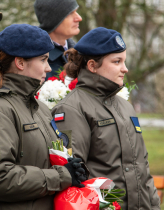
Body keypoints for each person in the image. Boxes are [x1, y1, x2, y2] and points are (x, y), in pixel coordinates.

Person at [0, 24, 87, 210]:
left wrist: (70, 167)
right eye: (43, 60)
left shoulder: (39, 108)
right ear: (20, 63)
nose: (48, 68)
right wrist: (60, 176)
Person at [51, 27, 161, 210]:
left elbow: (142, 168)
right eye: (117, 62)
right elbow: (75, 178)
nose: (124, 69)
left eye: (124, 61)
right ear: (92, 66)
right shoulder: (71, 109)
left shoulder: (125, 106)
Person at [34, 0, 82, 82]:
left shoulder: (82, 53)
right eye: (70, 13)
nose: (79, 18)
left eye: (76, 12)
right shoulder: (35, 59)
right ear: (52, 20)